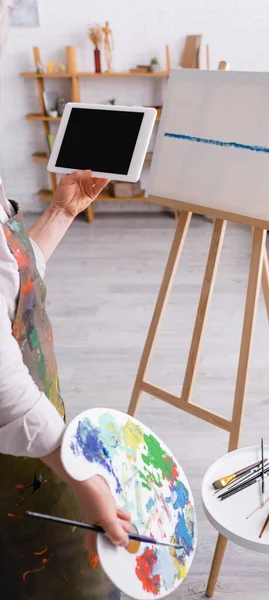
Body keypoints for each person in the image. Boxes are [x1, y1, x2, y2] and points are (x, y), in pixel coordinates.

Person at [0, 4, 130, 598]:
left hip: (28, 435)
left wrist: (59, 212)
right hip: (15, 447)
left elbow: (11, 279)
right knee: (64, 580)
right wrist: (81, 477)